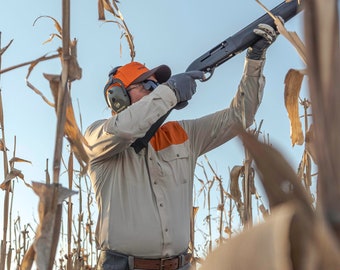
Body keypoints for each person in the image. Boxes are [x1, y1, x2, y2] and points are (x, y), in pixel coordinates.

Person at [84, 23, 277, 270]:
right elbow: (124, 130)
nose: (158, 92)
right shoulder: (97, 137)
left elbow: (240, 117)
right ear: (117, 98)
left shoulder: (183, 134)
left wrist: (255, 60)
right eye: (149, 87)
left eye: (159, 86)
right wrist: (170, 92)